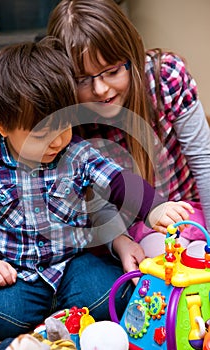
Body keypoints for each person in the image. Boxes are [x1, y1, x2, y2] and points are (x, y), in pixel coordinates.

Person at [0, 39, 193, 340]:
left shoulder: (78, 153)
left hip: (71, 267)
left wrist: (154, 206)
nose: (56, 142)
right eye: (41, 135)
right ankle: (49, 326)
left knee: (116, 291)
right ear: (2, 127)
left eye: (64, 127)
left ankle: (61, 322)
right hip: (16, 274)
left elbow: (118, 180)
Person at [47, 0, 210, 259]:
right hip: (131, 229)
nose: (100, 90)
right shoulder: (70, 119)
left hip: (190, 211)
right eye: (82, 80)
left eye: (111, 71)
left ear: (131, 55)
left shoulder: (165, 77)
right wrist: (119, 242)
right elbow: (92, 196)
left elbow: (204, 161)